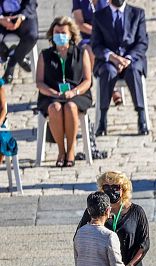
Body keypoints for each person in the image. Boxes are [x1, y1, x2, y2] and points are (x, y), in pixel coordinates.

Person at [35, 16, 93, 167]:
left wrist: (74, 92)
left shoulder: (81, 53)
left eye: (63, 32)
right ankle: (61, 151)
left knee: (71, 107)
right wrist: (53, 93)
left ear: (71, 35)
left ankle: (71, 150)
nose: (59, 35)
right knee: (55, 108)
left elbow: (87, 80)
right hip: (52, 94)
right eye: (56, 32)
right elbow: (39, 82)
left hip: (77, 94)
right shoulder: (45, 55)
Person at [91, 0, 149, 136]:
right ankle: (102, 120)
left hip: (131, 60)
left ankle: (142, 118)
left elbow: (142, 42)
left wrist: (128, 59)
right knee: (107, 72)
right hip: (109, 61)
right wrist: (112, 57)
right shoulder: (99, 16)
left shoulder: (137, 14)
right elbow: (96, 45)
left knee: (134, 71)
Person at [0, 0, 38, 83]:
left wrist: (21, 17)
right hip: (2, 16)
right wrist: (1, 19)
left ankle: (12, 62)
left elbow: (31, 3)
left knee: (32, 36)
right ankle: (6, 52)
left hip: (23, 15)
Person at [72, 0, 108, 70]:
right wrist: (98, 32)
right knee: (88, 49)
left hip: (108, 35)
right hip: (89, 37)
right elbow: (79, 24)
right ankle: (92, 76)